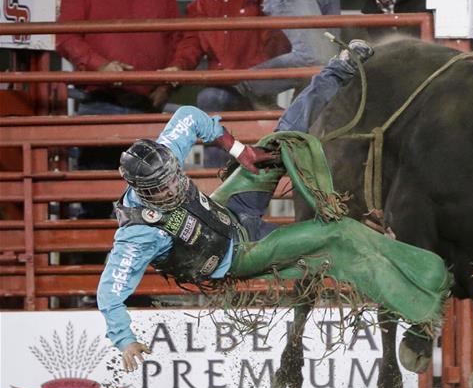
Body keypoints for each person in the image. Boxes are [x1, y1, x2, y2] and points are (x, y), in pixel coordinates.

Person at [99, 40, 448, 371]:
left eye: (175, 177)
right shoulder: (139, 234)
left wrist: (239, 150)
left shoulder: (163, 156)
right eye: (164, 188)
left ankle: (337, 72)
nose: (175, 186)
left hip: (226, 212)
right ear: (142, 190)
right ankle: (420, 307)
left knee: (280, 143)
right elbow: (109, 293)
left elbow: (190, 116)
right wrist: (125, 340)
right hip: (237, 254)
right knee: (335, 235)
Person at [56, 0, 178, 223]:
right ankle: (91, 260)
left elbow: (180, 37)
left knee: (152, 194)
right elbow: (65, 37)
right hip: (101, 99)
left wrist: (168, 82)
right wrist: (101, 66)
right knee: (98, 189)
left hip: (147, 102)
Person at [166, 0, 294, 167]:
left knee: (212, 103)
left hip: (258, 85)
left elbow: (277, 38)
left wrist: (263, 74)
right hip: (225, 89)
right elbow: (191, 45)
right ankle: (218, 180)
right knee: (212, 99)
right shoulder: (198, 7)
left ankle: (222, 181)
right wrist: (178, 66)